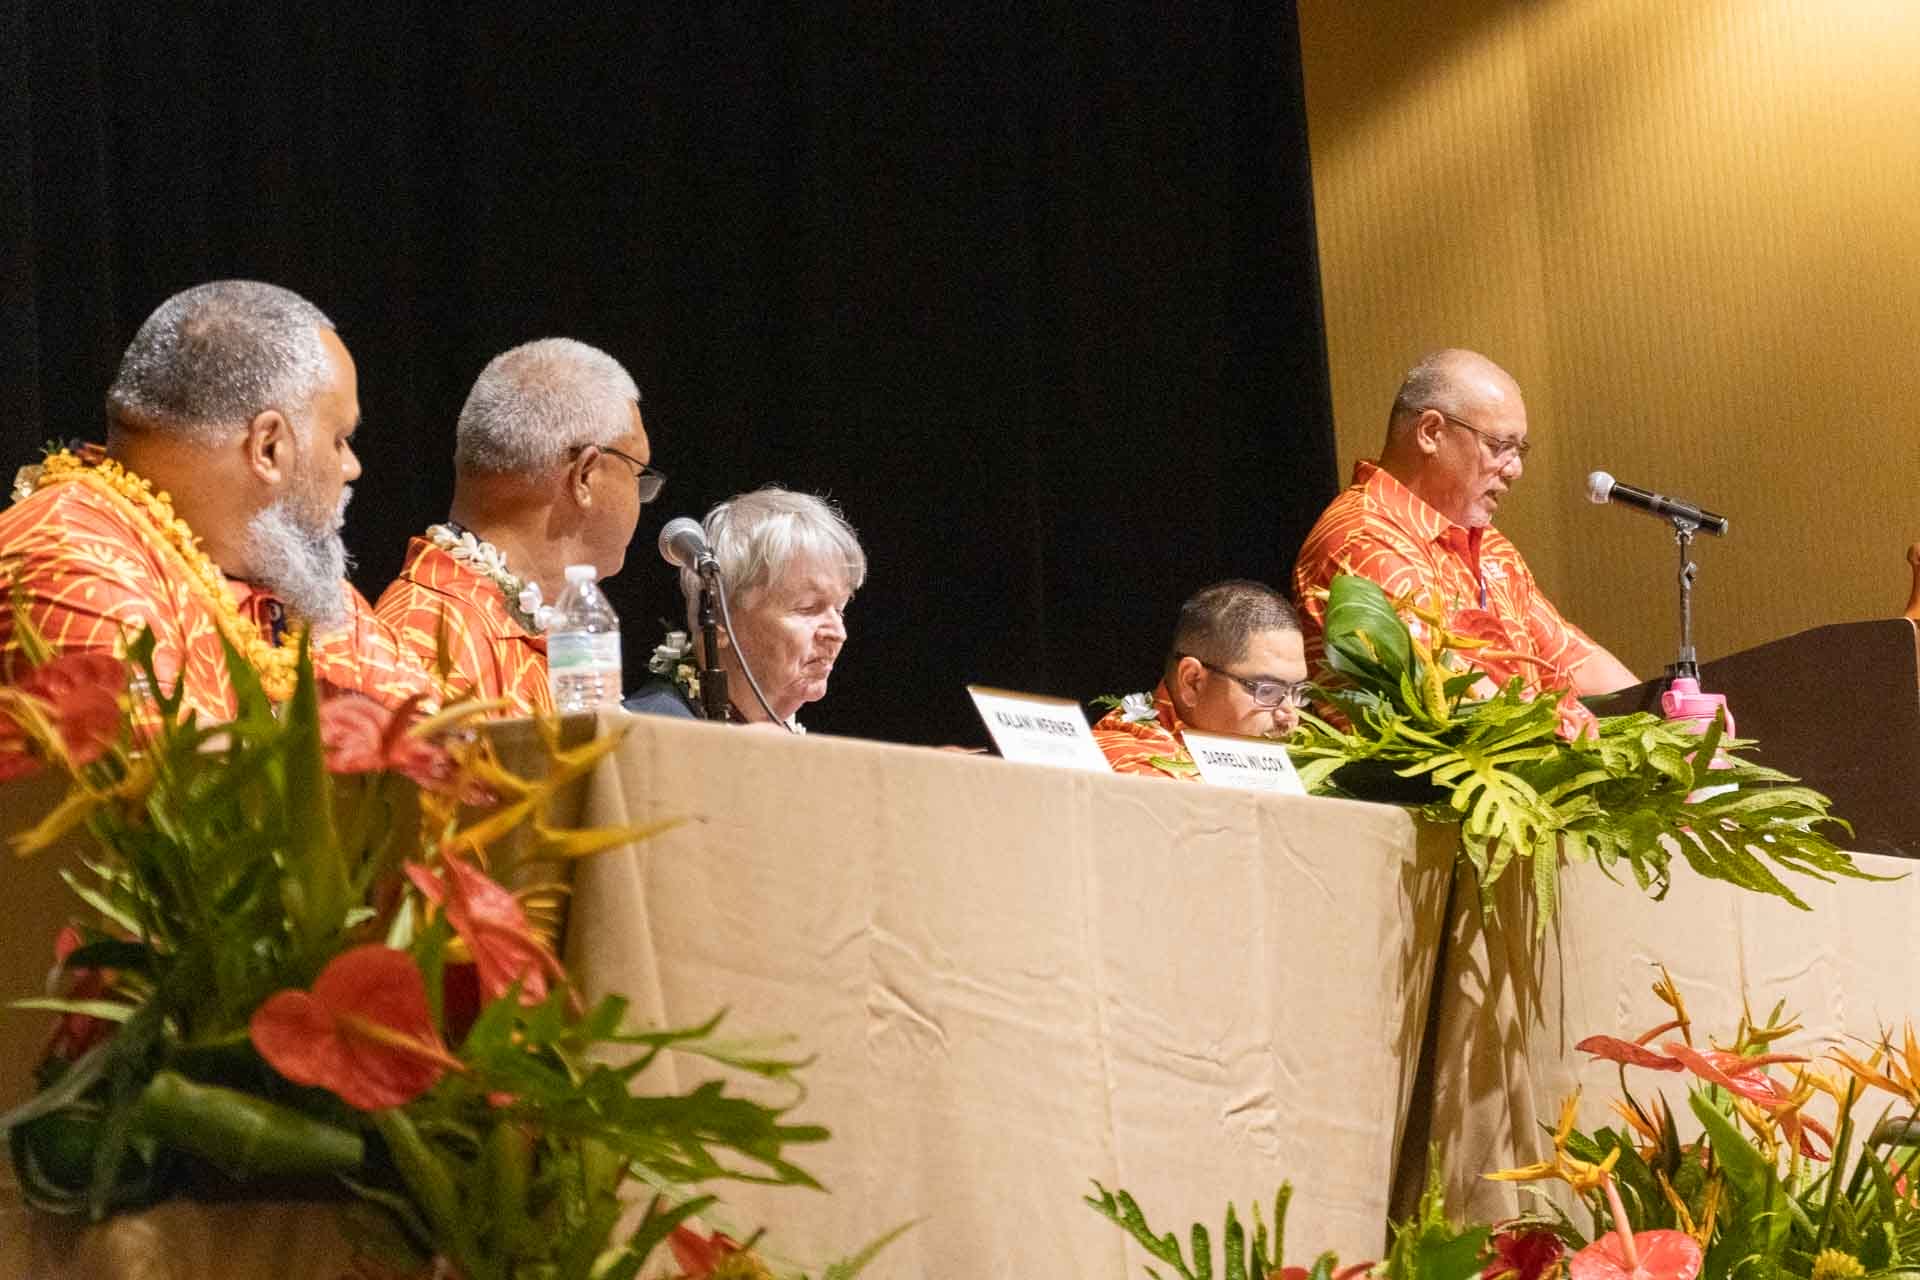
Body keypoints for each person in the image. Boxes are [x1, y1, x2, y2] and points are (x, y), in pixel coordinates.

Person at [0, 280, 431, 721]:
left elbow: (443, 737)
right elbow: (174, 761)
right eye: (339, 439)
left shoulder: (287, 575)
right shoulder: (70, 562)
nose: (352, 466)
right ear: (268, 447)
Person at [1291, 349, 1638, 707]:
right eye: (1499, 446)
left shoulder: (1487, 544)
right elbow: (1458, 699)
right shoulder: (1362, 539)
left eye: (1519, 450)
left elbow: (1572, 659)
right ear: (1431, 432)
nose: (1515, 469)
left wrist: (1669, 720)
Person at [375, 338, 660, 716]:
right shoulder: (430, 641)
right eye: (638, 474)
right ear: (585, 476)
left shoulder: (520, 624)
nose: (642, 499)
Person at [626, 487, 864, 728]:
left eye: (840, 609)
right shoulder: (645, 730)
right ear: (720, 618)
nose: (838, 633)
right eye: (808, 607)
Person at [1093, 580, 1309, 780]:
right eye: (1267, 691)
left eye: (1298, 692)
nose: (1290, 718)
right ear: (1193, 682)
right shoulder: (1132, 769)